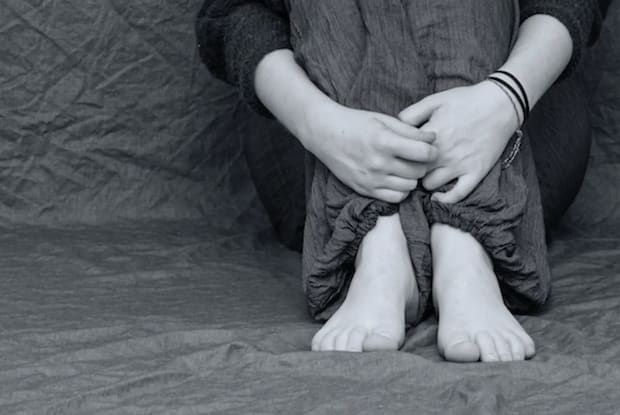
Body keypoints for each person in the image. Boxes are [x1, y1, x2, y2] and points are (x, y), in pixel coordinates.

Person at [196, 0, 609, 362]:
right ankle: (377, 239)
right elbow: (233, 11)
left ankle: (467, 246)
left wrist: (505, 98)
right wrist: (320, 125)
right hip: (315, 143)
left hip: (517, 130)